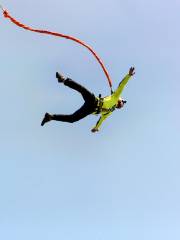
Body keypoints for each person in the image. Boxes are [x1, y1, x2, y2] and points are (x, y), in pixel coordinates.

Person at [41, 67, 135, 132]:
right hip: (94, 100)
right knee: (82, 89)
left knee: (72, 119)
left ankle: (51, 117)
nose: (123, 103)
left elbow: (101, 120)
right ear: (120, 99)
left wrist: (96, 128)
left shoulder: (110, 112)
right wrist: (129, 75)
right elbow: (122, 85)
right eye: (123, 101)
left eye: (123, 104)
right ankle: (64, 80)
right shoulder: (115, 96)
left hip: (90, 110)